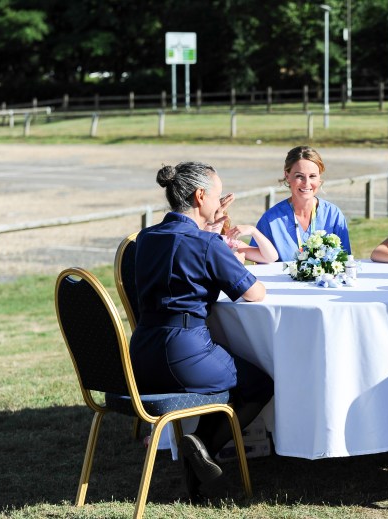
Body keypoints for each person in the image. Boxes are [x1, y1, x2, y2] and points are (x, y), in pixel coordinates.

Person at [130, 161, 274, 500]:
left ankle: (199, 462)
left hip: (141, 356)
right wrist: (215, 238)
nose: (221, 201)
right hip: (185, 354)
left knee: (243, 380)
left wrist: (211, 228)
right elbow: (254, 293)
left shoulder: (145, 239)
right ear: (200, 196)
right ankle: (203, 446)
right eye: (218, 195)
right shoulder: (206, 245)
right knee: (258, 383)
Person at [254, 146, 351, 261]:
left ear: (319, 178)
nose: (306, 183)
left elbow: (345, 261)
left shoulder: (333, 215)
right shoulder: (270, 220)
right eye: (299, 176)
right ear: (287, 176)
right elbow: (256, 263)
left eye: (312, 176)